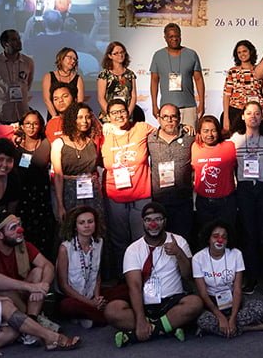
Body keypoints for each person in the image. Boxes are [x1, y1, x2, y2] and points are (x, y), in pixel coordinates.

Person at [104, 202, 204, 347]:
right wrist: (140, 318)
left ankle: (137, 334)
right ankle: (167, 327)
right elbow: (134, 286)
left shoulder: (178, 241)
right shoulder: (133, 249)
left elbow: (188, 276)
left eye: (158, 219)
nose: (153, 224)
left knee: (195, 303)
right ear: (143, 222)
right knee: (112, 310)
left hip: (172, 301)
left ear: (165, 221)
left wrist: (179, 253)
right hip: (144, 304)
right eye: (148, 220)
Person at [193, 219, 263, 337]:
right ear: (208, 238)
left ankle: (227, 328)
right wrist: (220, 316)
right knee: (203, 320)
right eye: (215, 236)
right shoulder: (198, 258)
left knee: (260, 308)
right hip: (211, 303)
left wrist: (232, 317)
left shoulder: (236, 254)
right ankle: (253, 327)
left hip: (233, 300)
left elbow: (237, 289)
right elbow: (203, 293)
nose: (220, 240)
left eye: (224, 237)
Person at [101, 99, 153, 273]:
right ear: (108, 116)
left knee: (142, 239)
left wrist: (186, 128)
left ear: (128, 112)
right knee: (119, 240)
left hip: (141, 194)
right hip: (115, 196)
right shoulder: (103, 134)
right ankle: (124, 276)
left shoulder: (141, 128)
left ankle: (144, 274)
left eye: (122, 111)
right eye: (114, 113)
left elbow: (165, 133)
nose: (119, 115)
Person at [56, 206, 129, 328]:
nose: (87, 226)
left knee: (125, 289)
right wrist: (91, 303)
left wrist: (97, 297)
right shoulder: (65, 248)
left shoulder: (99, 242)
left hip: (91, 294)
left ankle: (92, 315)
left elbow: (97, 275)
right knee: (67, 306)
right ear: (75, 226)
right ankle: (104, 315)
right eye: (82, 223)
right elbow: (64, 286)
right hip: (73, 297)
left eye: (90, 222)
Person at [230, 101, 263, 294]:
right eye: (249, 113)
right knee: (248, 234)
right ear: (242, 116)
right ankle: (251, 277)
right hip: (245, 189)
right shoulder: (235, 139)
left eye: (257, 113)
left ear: (262, 116)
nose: (253, 117)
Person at [0, 214, 59, 333]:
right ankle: (33, 323)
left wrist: (43, 285)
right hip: (2, 298)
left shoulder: (24, 246)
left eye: (19, 225)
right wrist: (31, 287)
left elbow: (48, 266)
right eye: (13, 228)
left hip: (20, 294)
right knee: (2, 290)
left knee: (38, 272)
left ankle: (32, 320)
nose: (20, 230)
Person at [147, 103, 195, 243]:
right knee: (160, 242)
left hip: (183, 201)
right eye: (165, 117)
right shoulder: (150, 139)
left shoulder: (190, 136)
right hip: (159, 202)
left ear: (179, 118)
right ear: (159, 119)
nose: (169, 120)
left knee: (183, 242)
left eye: (173, 116)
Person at [51, 102, 103, 222]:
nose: (85, 121)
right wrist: (60, 205)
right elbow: (58, 176)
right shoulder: (59, 143)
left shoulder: (92, 141)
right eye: (80, 117)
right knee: (71, 226)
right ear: (71, 119)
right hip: (69, 192)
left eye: (88, 117)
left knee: (94, 225)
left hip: (91, 191)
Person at [13, 110, 55, 258]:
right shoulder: (15, 145)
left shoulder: (47, 143)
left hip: (42, 197)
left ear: (41, 125)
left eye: (35, 123)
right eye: (28, 123)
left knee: (44, 234)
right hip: (21, 197)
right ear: (22, 126)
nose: (31, 127)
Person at [149, 23, 205, 125]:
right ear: (165, 38)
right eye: (171, 36)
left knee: (190, 134)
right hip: (167, 109)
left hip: (189, 107)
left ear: (180, 36)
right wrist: (154, 105)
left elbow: (198, 79)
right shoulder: (158, 55)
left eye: (177, 36)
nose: (174, 39)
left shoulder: (191, 54)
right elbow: (154, 81)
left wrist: (202, 103)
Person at [192, 115, 237, 233]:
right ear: (199, 132)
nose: (210, 135)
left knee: (228, 236)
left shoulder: (230, 146)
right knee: (205, 236)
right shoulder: (194, 147)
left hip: (226, 202)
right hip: (203, 203)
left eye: (213, 130)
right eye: (205, 131)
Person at [0, 29, 35, 124]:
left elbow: (28, 84)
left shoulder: (28, 62)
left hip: (22, 113)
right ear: (5, 43)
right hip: (2, 114)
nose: (19, 42)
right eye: (14, 39)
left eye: (19, 39)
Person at [222, 39, 263, 135]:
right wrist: (226, 117)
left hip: (255, 112)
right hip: (236, 111)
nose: (242, 54)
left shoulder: (260, 70)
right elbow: (226, 95)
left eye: (244, 51)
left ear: (251, 51)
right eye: (239, 52)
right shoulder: (233, 71)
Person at [98, 41, 137, 121]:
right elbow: (101, 98)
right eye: (116, 53)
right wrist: (111, 115)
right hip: (109, 118)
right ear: (110, 56)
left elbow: (133, 96)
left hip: (126, 117)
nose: (120, 55)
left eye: (122, 52)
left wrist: (127, 114)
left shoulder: (130, 74)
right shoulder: (104, 74)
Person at [42, 47, 84, 119]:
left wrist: (73, 117)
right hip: (54, 116)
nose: (73, 61)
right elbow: (47, 99)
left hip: (72, 117)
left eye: (75, 59)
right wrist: (55, 117)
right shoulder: (48, 76)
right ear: (61, 58)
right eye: (70, 57)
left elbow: (80, 102)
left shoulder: (78, 78)